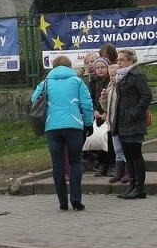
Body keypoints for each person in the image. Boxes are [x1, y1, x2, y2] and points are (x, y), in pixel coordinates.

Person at [32, 55, 94, 211]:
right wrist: (88, 123)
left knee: (57, 163)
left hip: (52, 127)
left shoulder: (45, 82)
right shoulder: (78, 82)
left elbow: (34, 99)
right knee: (75, 162)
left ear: (53, 67)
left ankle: (62, 201)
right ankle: (75, 198)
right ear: (69, 66)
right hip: (74, 126)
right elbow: (87, 103)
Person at [113, 48, 153, 199]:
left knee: (135, 155)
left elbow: (146, 95)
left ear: (131, 60)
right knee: (128, 156)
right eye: (118, 60)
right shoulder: (121, 76)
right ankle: (132, 185)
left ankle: (140, 188)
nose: (119, 63)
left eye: (121, 60)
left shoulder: (137, 75)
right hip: (122, 121)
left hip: (133, 122)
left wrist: (136, 112)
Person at [101, 64, 131, 184]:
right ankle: (119, 173)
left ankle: (128, 172)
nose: (112, 78)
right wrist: (103, 98)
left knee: (125, 150)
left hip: (122, 123)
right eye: (111, 76)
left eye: (115, 75)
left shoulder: (122, 88)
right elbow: (106, 107)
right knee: (117, 149)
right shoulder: (110, 88)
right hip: (112, 123)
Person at [88, 57, 113, 177]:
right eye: (98, 67)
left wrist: (106, 112)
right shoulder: (92, 82)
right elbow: (89, 98)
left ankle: (112, 164)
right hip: (97, 114)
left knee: (110, 140)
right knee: (99, 139)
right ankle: (102, 163)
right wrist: (94, 111)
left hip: (108, 114)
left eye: (103, 67)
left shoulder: (111, 80)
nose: (100, 70)